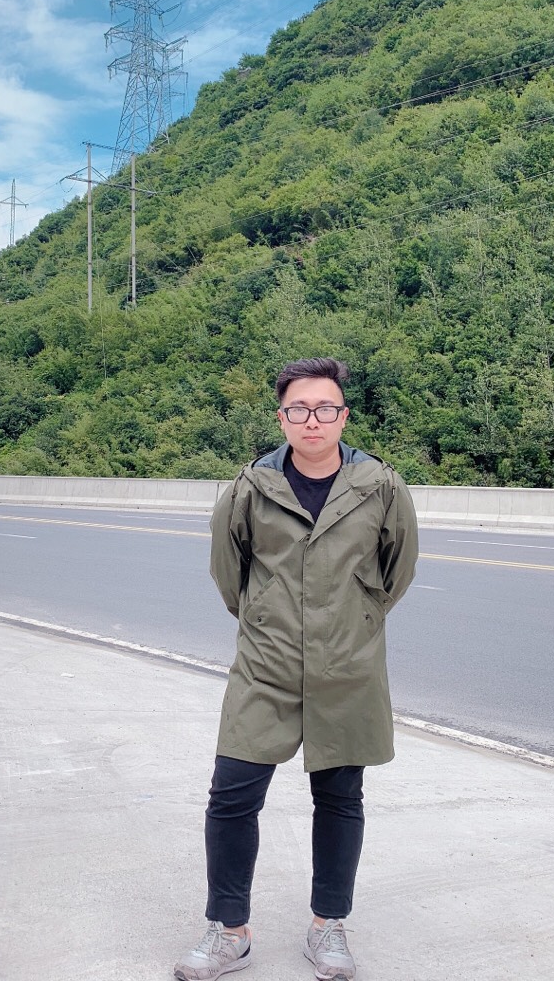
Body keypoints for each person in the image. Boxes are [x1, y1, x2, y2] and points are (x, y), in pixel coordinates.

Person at [174, 357, 419, 981]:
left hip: (348, 667)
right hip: (267, 665)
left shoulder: (381, 486)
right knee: (232, 794)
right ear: (282, 417)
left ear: (344, 416)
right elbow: (229, 573)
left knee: (340, 798)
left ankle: (327, 925)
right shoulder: (250, 488)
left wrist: (355, 622)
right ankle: (229, 932)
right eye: (299, 409)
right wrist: (265, 620)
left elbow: (397, 570)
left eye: (325, 408)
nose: (313, 420)